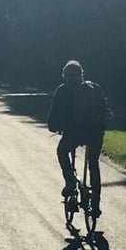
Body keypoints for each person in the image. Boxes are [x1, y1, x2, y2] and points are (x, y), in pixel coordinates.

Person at [46, 60, 111, 217]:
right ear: (81, 75)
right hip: (95, 133)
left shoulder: (63, 91)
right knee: (93, 164)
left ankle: (70, 181)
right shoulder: (93, 88)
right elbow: (105, 111)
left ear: (65, 76)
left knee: (62, 151)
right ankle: (95, 204)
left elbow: (53, 117)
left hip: (74, 133)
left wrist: (54, 127)